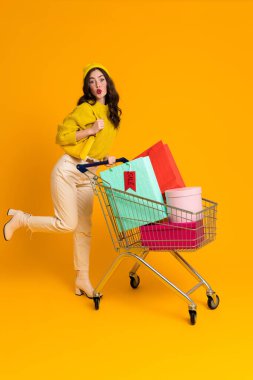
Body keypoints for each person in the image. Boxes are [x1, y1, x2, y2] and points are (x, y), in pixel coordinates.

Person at [3, 63, 122, 299]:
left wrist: (105, 159)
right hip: (68, 169)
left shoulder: (112, 114)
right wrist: (88, 130)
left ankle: (82, 279)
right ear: (88, 87)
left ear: (108, 82)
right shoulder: (86, 110)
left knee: (84, 229)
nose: (98, 85)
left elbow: (96, 150)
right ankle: (21, 220)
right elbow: (62, 136)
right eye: (92, 81)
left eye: (101, 79)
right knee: (68, 223)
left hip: (89, 172)